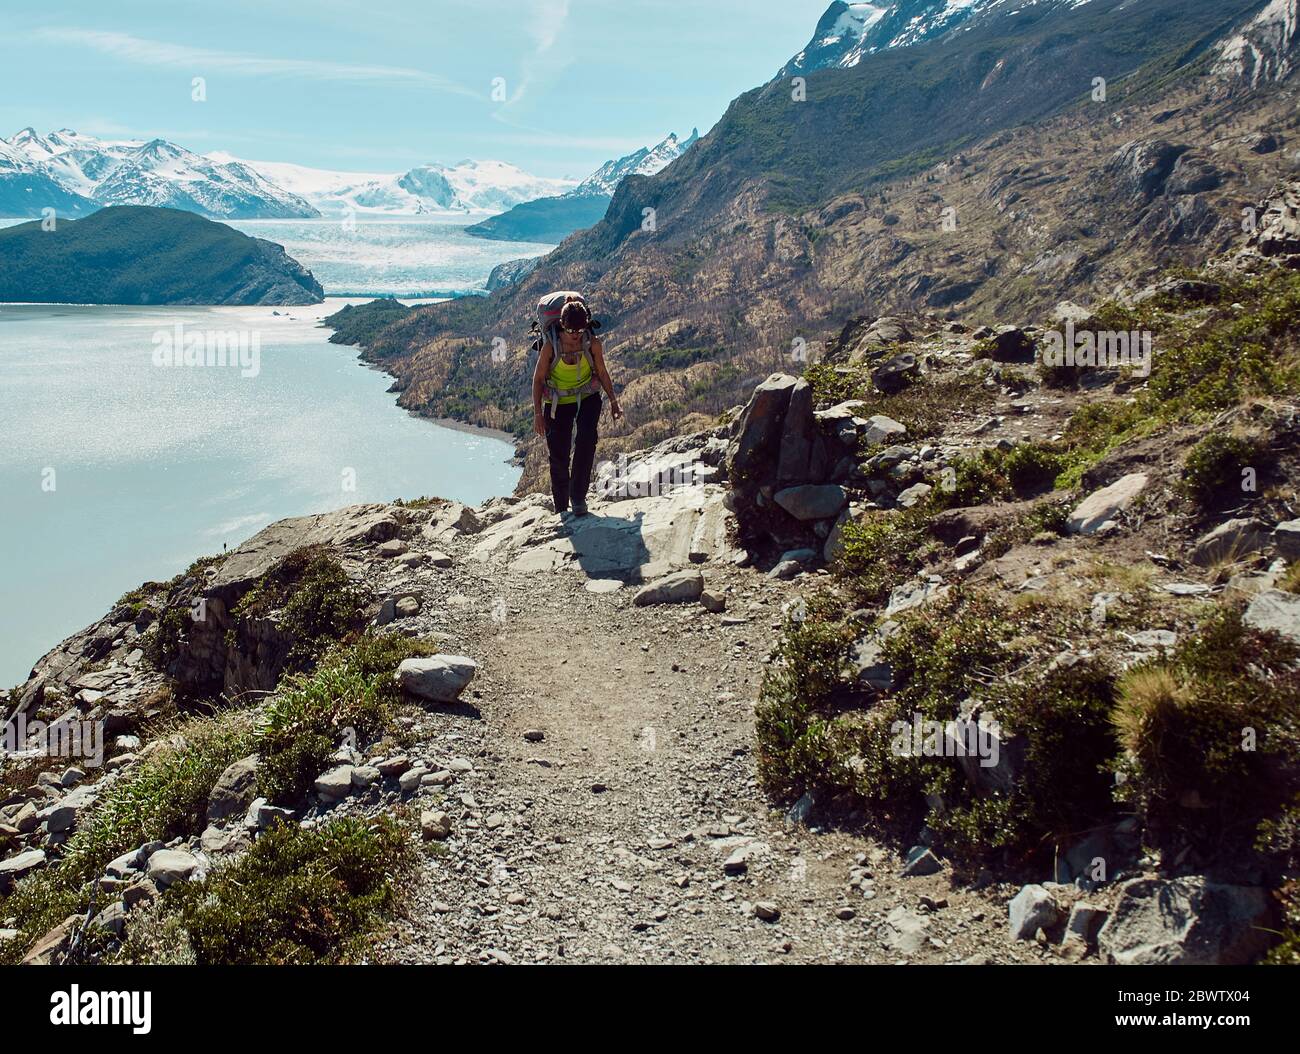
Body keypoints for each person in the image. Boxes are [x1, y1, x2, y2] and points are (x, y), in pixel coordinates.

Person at [531, 297, 622, 516]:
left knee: (586, 442)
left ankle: (578, 497)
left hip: (587, 396)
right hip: (557, 402)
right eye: (572, 330)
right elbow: (538, 379)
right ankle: (561, 506)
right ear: (562, 324)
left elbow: (601, 371)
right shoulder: (551, 346)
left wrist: (613, 401)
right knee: (559, 455)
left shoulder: (592, 343)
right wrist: (537, 413)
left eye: (580, 330)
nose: (576, 335)